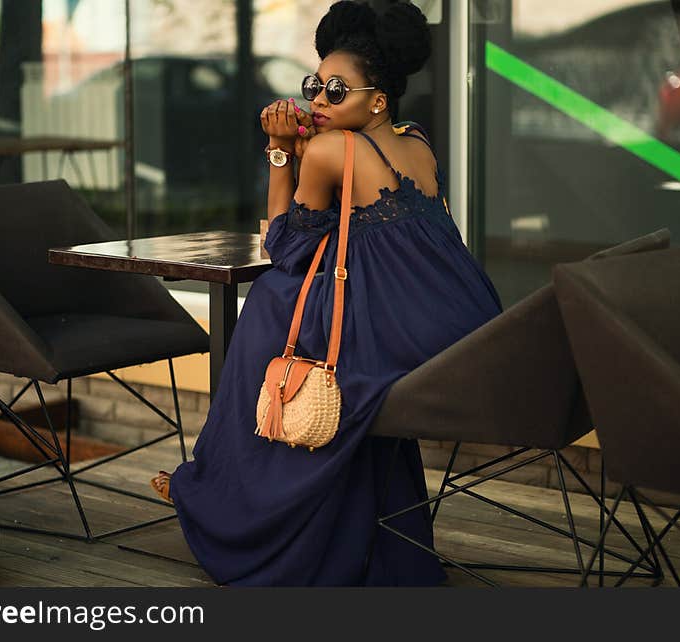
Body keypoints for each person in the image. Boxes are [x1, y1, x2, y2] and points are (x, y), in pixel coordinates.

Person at [150, 0, 502, 586]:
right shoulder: (417, 142)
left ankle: (223, 501)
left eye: (337, 91)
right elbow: (386, 237)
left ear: (377, 100)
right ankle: (301, 511)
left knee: (268, 313)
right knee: (301, 324)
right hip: (461, 328)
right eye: (314, 85)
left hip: (400, 328)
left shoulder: (330, 150)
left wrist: (282, 151)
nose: (317, 100)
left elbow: (284, 245)